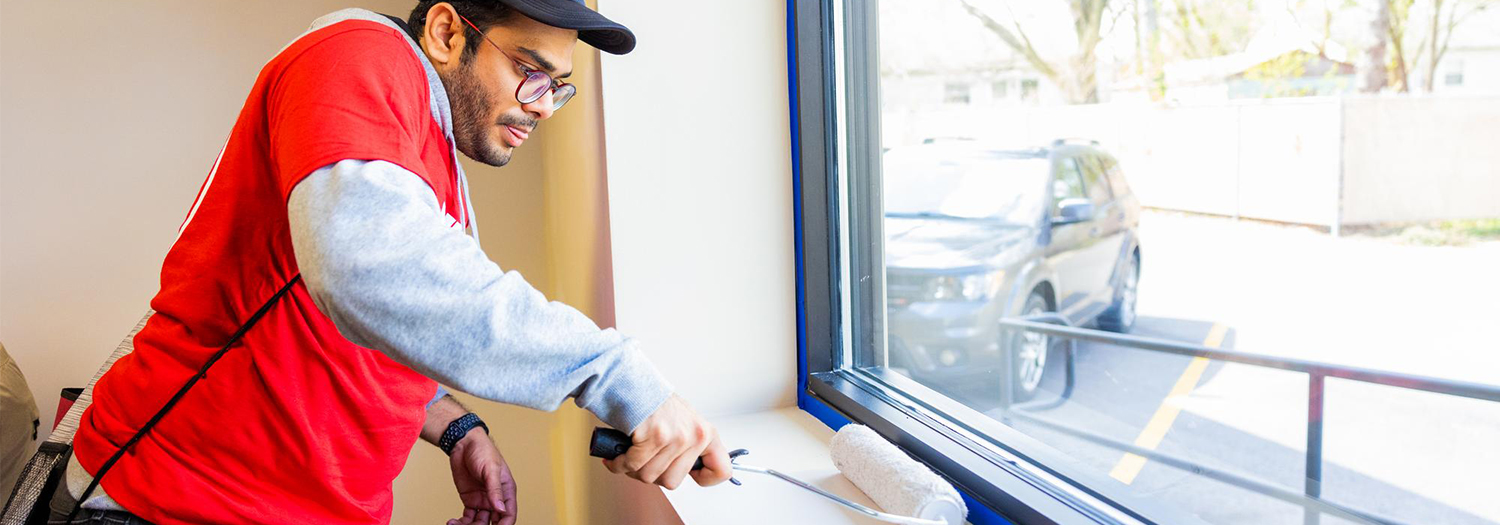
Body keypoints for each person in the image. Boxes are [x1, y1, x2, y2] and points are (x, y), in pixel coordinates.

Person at [54, 2, 732, 524]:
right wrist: (614, 372)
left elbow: (355, 322)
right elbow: (369, 271)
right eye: (530, 72)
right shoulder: (359, 54)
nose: (542, 107)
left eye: (558, 87)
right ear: (445, 32)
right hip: (173, 498)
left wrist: (456, 426)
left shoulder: (419, 139)